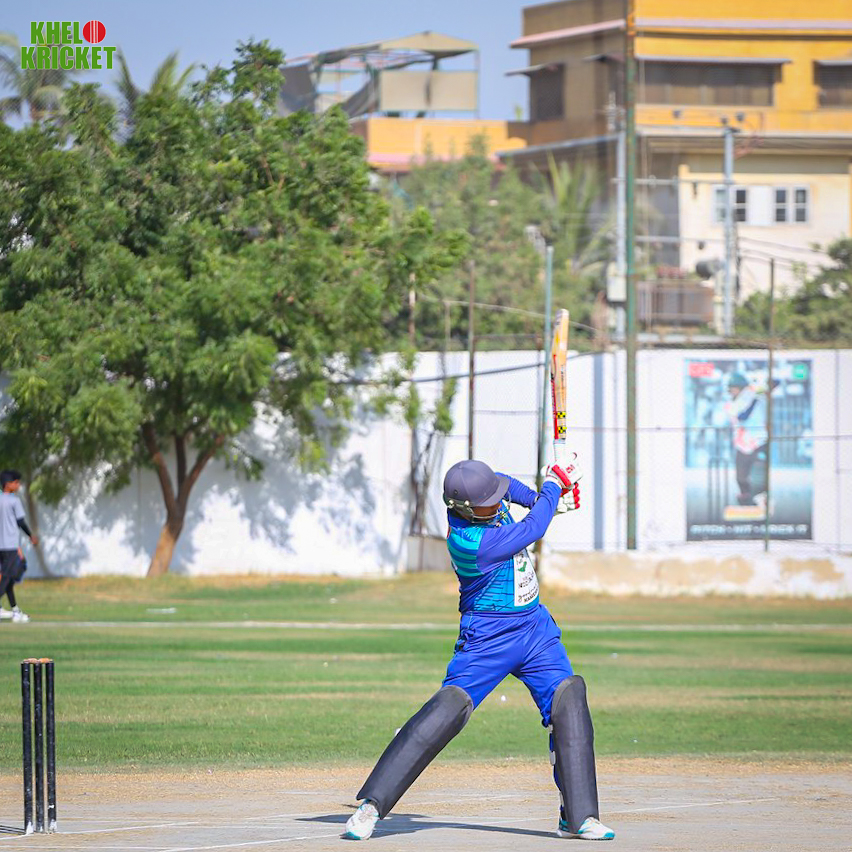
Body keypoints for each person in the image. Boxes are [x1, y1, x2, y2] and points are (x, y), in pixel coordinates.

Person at [343, 454, 614, 842]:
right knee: (446, 710)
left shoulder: (483, 494)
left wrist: (543, 498)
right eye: (490, 500)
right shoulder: (471, 542)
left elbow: (509, 487)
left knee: (568, 700)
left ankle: (578, 817)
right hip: (487, 638)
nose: (498, 500)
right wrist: (554, 488)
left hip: (535, 629)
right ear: (466, 509)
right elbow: (533, 528)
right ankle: (371, 806)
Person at [0, 470, 39, 623]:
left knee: (8, 579)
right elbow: (20, 522)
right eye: (16, 482)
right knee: (8, 577)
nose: (18, 485)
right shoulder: (14, 501)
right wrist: (31, 536)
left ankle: (15, 611)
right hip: (9, 546)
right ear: (8, 484)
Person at [724, 373, 768, 506]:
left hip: (758, 442)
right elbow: (743, 417)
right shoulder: (732, 404)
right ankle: (745, 499)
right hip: (742, 445)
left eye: (734, 388)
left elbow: (772, 384)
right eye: (731, 388)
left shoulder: (756, 398)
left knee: (758, 477)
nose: (732, 391)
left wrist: (759, 394)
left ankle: (761, 501)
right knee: (741, 477)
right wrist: (754, 401)